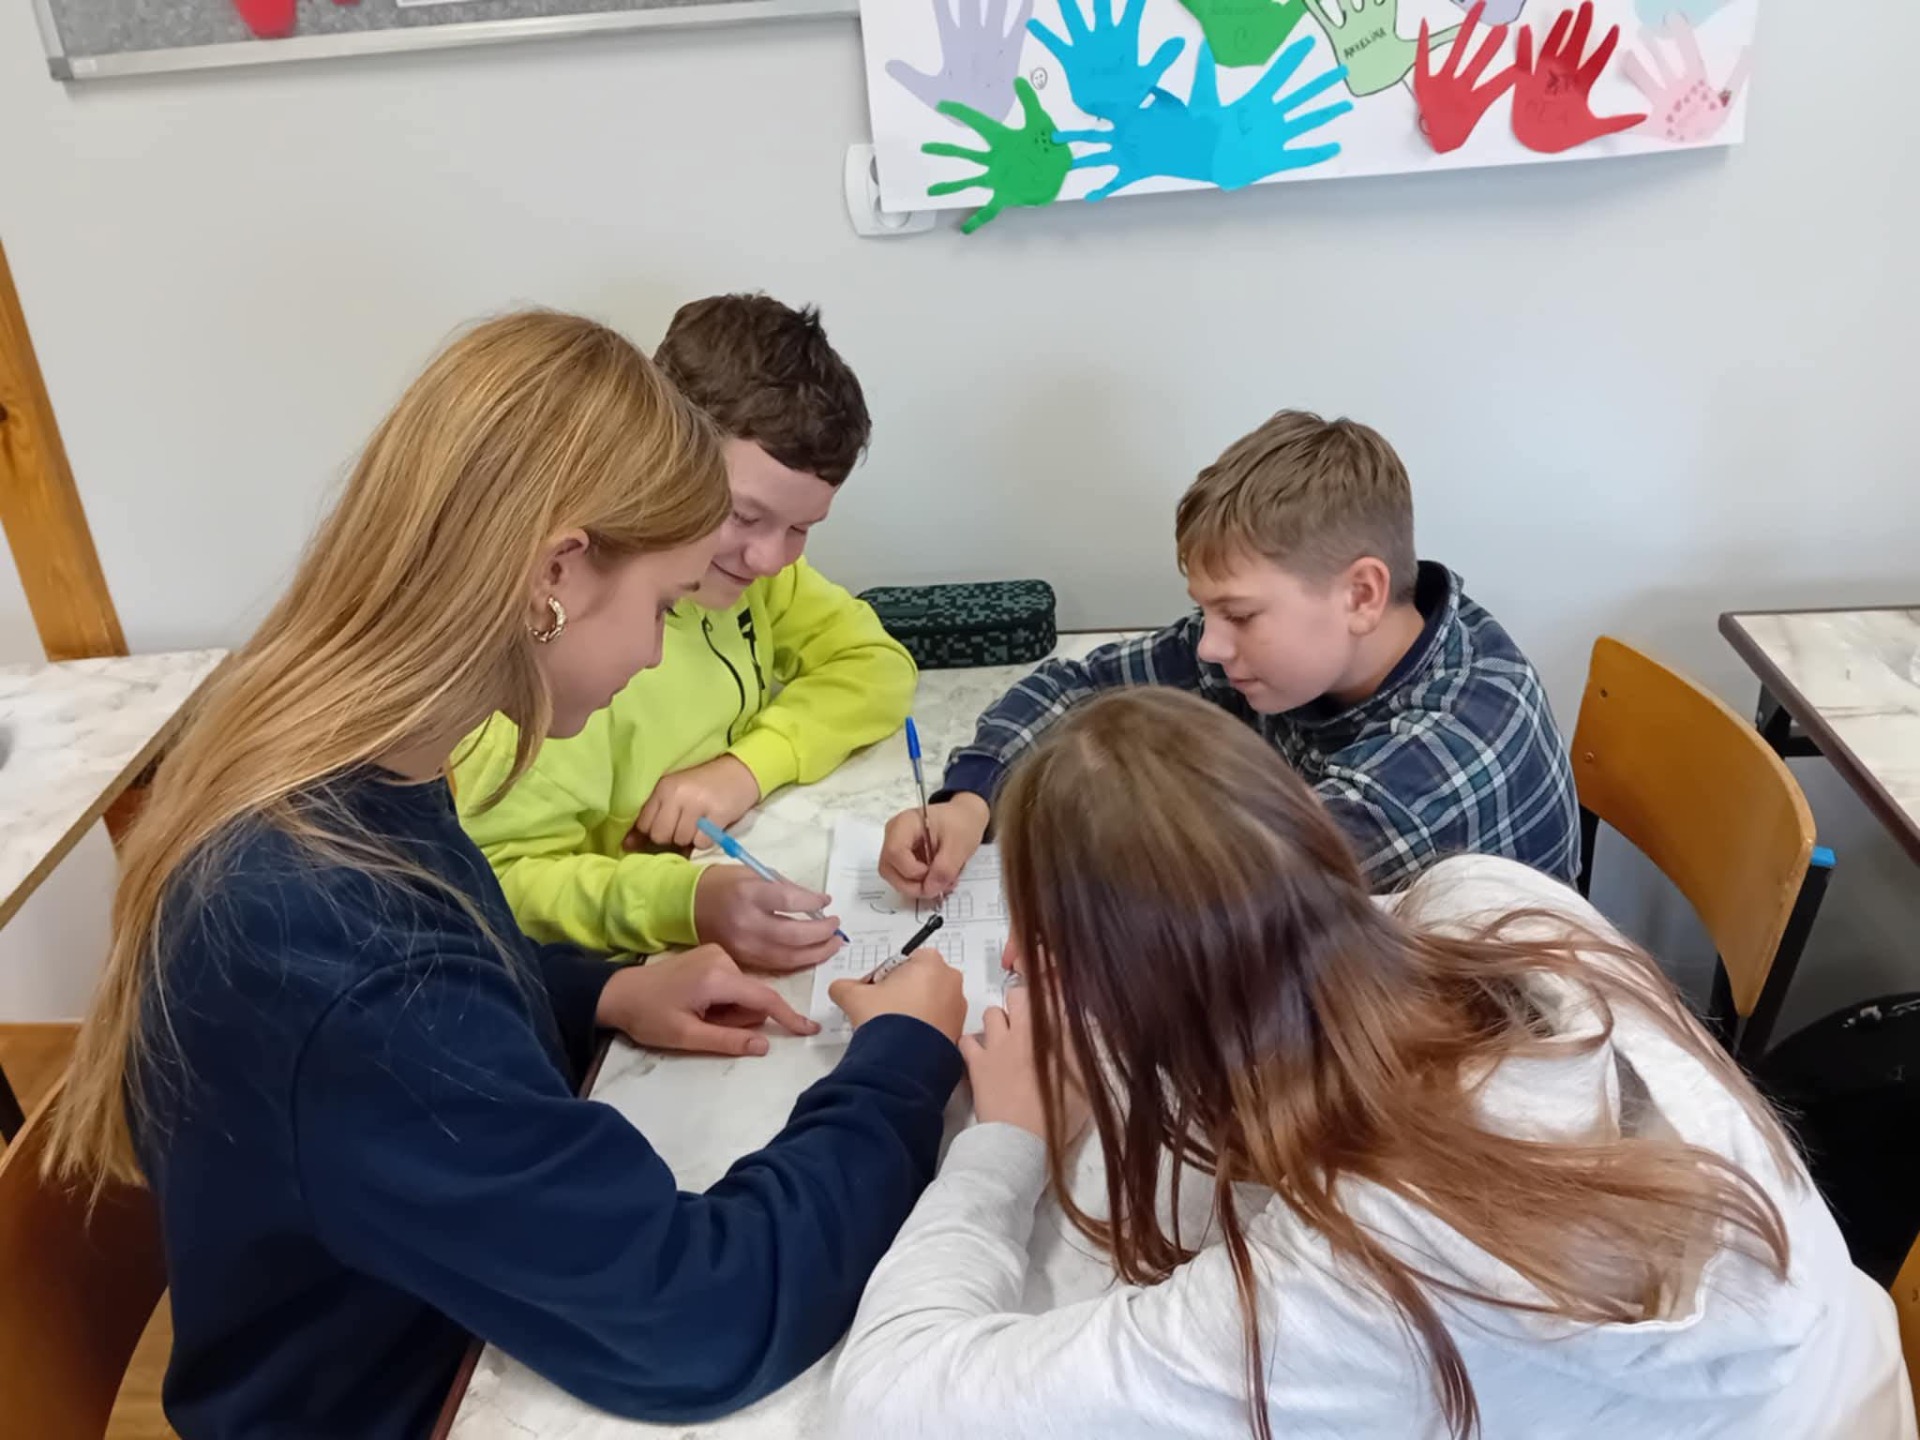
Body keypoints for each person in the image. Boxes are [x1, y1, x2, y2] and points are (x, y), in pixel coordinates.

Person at [43, 311, 968, 1440]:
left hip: (437, 1317)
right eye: (665, 606)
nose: (653, 651)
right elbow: (695, 1318)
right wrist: (900, 1065)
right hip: (403, 1402)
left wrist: (599, 988)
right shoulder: (337, 945)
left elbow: (434, 965)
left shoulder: (351, 768)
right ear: (556, 576)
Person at [833, 688, 1913, 1440]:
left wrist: (1006, 1139)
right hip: (1825, 1367)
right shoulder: (1489, 899)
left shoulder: (1359, 1279)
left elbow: (890, 1401)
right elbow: (1259, 950)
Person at [880, 409, 1579, 899]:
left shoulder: (1446, 757)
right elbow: (1074, 687)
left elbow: (1216, 899)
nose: (1211, 645)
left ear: (1361, 594)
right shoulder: (1318, 646)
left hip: (1489, 1045)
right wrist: (970, 800)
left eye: (1239, 615)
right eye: (1207, 611)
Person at [455, 294, 914, 971]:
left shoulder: (756, 575)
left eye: (800, 528)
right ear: (661, 462)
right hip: (617, 976)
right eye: (743, 516)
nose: (769, 559)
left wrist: (747, 769)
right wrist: (679, 901)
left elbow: (876, 665)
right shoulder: (554, 651)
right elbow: (498, 882)